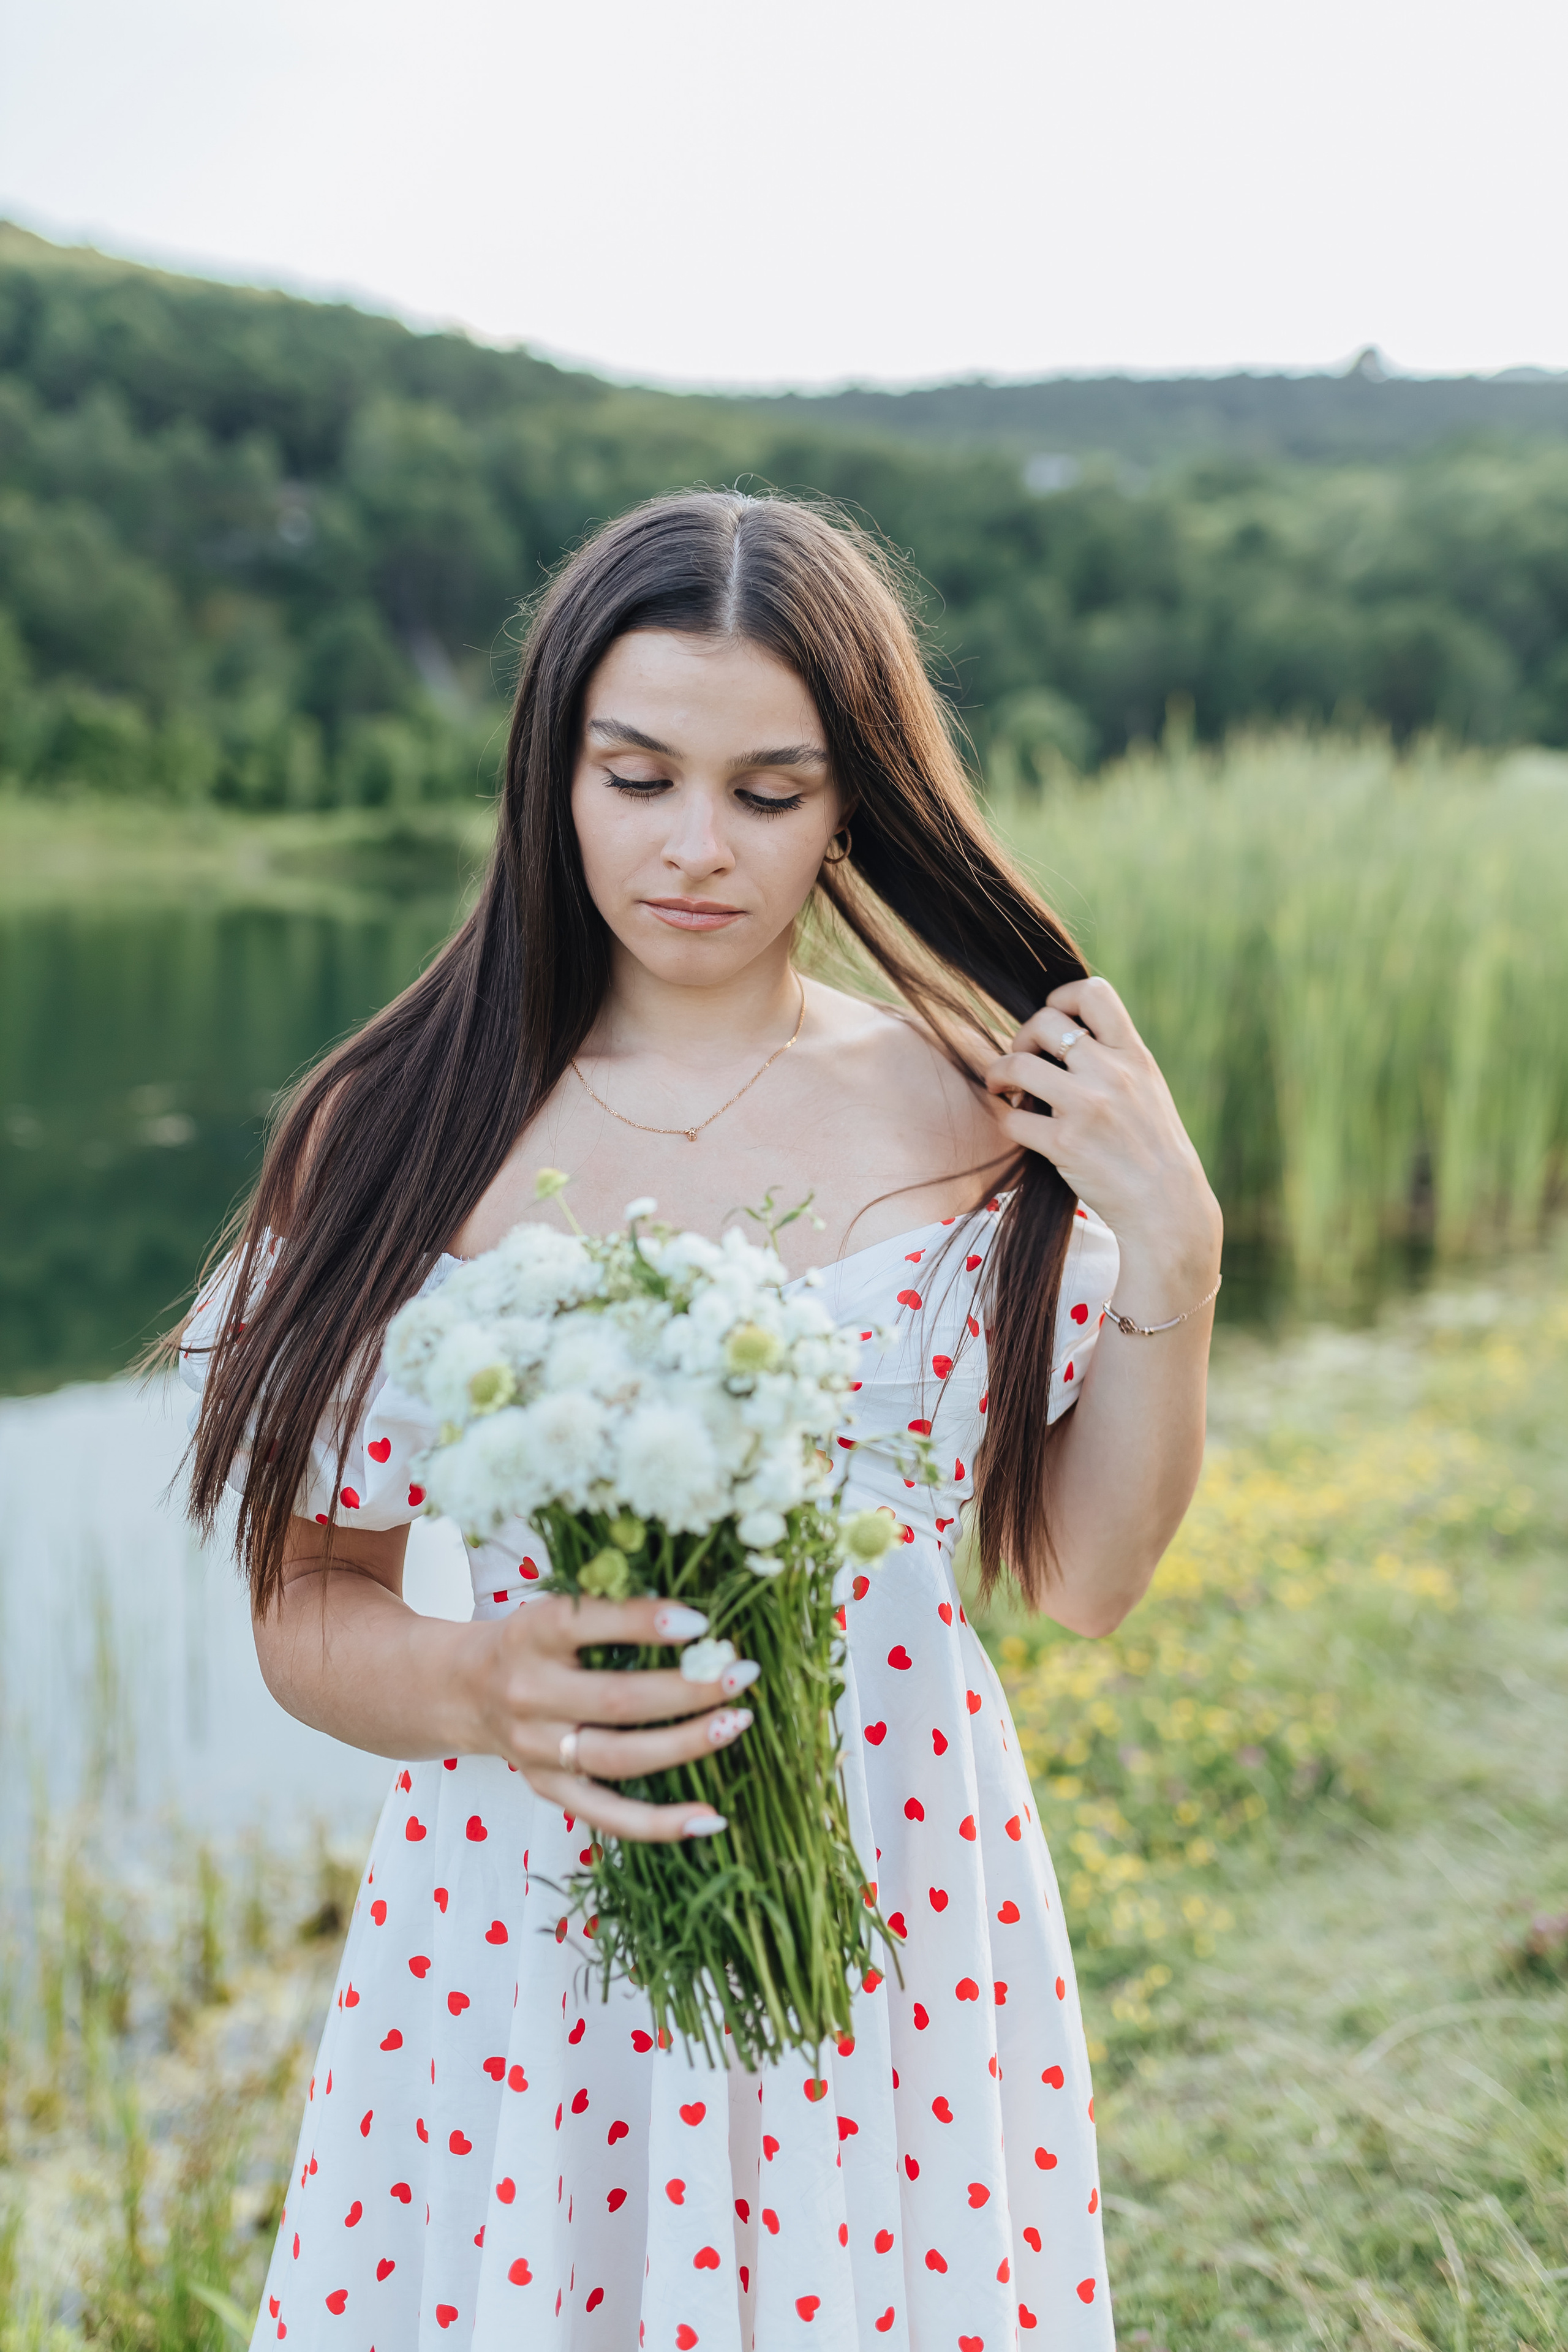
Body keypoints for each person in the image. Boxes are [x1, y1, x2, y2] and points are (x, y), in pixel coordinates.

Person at [180, 491, 1221, 2352]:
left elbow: (1083, 1579)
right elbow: (308, 1605)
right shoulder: (401, 1125)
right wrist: (482, 1685)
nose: (694, 847)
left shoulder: (973, 1108)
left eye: (768, 792)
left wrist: (1181, 1253)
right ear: (552, 772)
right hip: (526, 1900)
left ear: (852, 803)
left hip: (890, 1872)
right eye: (638, 775)